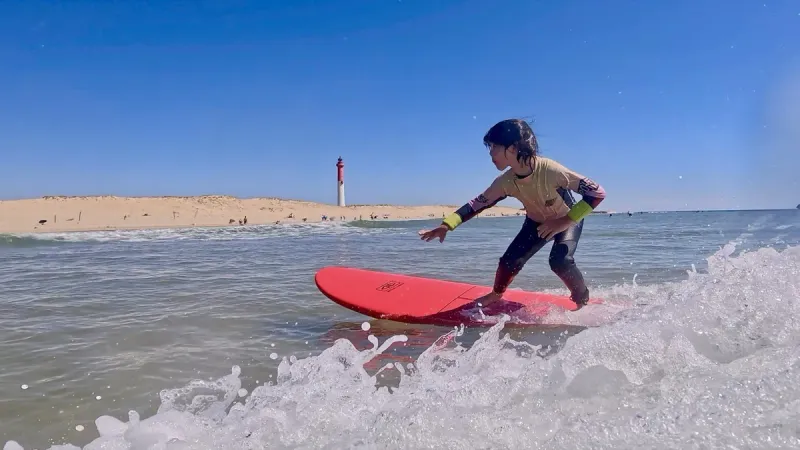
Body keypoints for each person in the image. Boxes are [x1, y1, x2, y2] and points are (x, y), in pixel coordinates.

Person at [418, 119, 606, 310]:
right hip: (536, 223)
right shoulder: (505, 182)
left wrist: (563, 222)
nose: (490, 153)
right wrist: (446, 225)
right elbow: (477, 204)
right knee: (509, 262)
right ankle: (496, 294)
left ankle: (582, 300)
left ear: (513, 147)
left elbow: (597, 193)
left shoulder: (551, 170)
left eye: (494, 147)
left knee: (560, 261)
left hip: (567, 219)